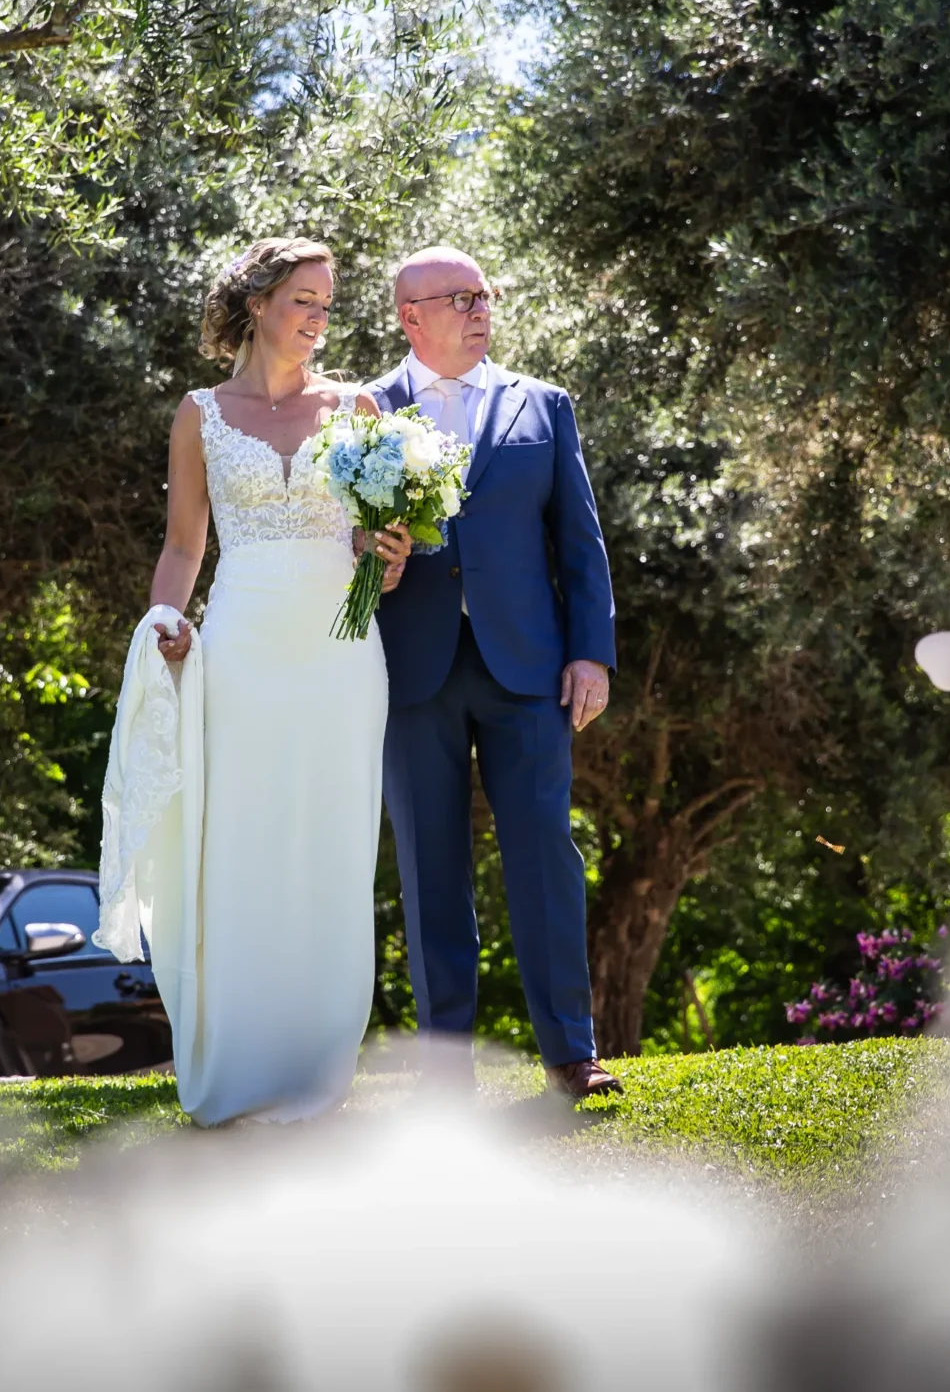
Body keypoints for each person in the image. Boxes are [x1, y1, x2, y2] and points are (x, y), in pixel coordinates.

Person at [96, 237, 412, 1125]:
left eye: (326, 302)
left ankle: (317, 1060)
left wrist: (389, 558)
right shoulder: (200, 413)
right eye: (304, 299)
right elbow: (183, 545)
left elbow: (378, 550)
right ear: (258, 303)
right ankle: (238, 1056)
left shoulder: (356, 407)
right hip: (240, 652)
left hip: (341, 656)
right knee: (239, 844)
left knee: (329, 846)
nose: (318, 317)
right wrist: (165, 620)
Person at [368, 245, 621, 1099]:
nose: (481, 310)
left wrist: (591, 651)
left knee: (547, 857)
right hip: (412, 672)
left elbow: (579, 541)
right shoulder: (365, 411)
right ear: (411, 316)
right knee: (430, 869)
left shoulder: (543, 405)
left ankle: (572, 1053)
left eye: (485, 295)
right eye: (462, 298)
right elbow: (343, 544)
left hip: (529, 669)